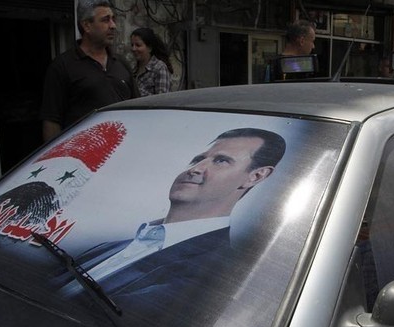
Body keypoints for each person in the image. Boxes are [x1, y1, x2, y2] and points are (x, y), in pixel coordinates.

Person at [59, 127, 286, 296]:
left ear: (255, 176)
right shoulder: (108, 247)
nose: (195, 169)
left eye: (221, 161)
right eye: (198, 159)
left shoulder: (215, 271)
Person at [40, 0, 138, 142]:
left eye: (113, 19)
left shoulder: (121, 63)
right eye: (105, 20)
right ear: (87, 25)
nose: (113, 26)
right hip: (85, 157)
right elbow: (51, 121)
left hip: (123, 150)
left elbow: (136, 108)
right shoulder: (62, 66)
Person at [131, 27, 173, 96]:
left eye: (138, 45)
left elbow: (162, 100)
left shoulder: (159, 68)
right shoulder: (133, 70)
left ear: (149, 48)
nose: (133, 49)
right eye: (132, 45)